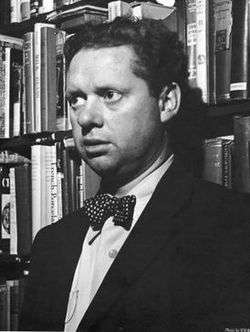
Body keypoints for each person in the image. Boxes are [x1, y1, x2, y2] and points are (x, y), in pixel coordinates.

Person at [20, 17, 250, 331]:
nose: (86, 117)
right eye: (76, 99)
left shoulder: (235, 227)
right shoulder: (51, 244)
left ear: (167, 102)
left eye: (110, 94)